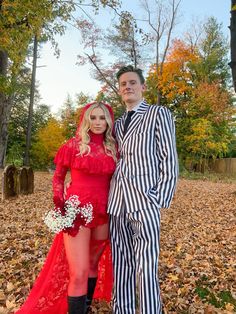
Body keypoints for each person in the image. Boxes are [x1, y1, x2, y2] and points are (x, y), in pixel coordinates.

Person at [15, 102, 116, 314]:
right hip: (76, 211)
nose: (98, 122)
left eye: (102, 118)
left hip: (104, 211)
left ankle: (85, 307)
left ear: (108, 120)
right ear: (86, 120)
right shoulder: (72, 145)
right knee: (78, 271)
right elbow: (58, 178)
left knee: (91, 265)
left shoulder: (114, 147)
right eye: (94, 118)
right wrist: (59, 201)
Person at [108, 65, 178, 314]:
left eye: (132, 82)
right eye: (123, 84)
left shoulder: (159, 114)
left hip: (145, 200)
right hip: (116, 203)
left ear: (143, 86)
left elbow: (169, 159)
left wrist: (158, 197)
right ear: (119, 91)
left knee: (146, 265)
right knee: (122, 263)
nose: (127, 86)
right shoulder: (115, 124)